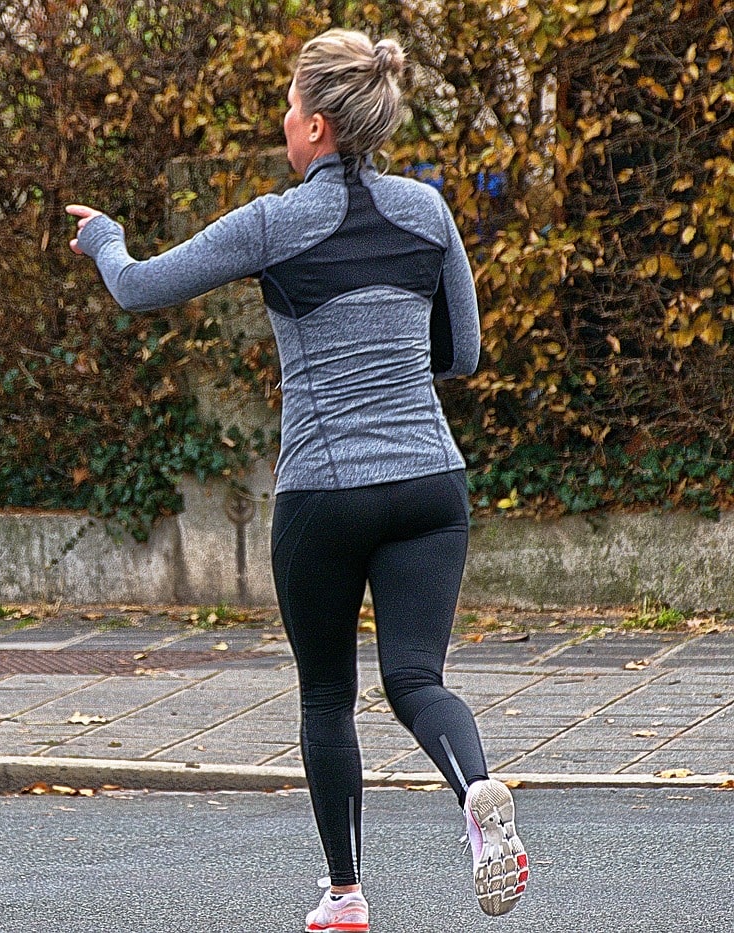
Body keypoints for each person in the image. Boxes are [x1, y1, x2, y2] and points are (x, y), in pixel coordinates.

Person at [68, 28, 525, 933]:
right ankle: (476, 788)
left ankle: (346, 893)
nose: (283, 121)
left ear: (315, 126)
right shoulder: (430, 213)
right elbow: (463, 354)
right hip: (431, 483)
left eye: (287, 107)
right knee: (413, 677)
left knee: (326, 692)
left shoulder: (274, 221)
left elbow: (141, 289)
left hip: (324, 490)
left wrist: (106, 241)